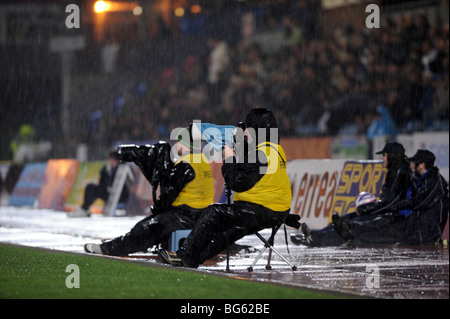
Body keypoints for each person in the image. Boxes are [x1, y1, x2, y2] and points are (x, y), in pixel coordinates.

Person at [160, 108, 294, 268]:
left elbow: (236, 182)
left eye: (248, 128)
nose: (245, 132)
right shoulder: (274, 149)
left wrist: (229, 157)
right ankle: (192, 257)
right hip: (273, 208)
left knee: (214, 212)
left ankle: (185, 256)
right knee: (226, 230)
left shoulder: (261, 154)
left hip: (264, 210)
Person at [83, 127, 215, 255]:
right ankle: (128, 243)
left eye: (178, 142)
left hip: (185, 215)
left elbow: (168, 196)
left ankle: (110, 248)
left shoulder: (185, 164)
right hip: (201, 214)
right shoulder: (202, 160)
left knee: (145, 228)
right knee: (155, 225)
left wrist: (156, 211)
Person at [292, 141, 413, 246]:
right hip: (387, 213)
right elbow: (387, 201)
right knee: (346, 219)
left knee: (352, 226)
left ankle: (315, 238)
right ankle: (315, 235)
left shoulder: (403, 173)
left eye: (384, 155)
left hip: (396, 219)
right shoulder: (395, 172)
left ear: (392, 156)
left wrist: (369, 209)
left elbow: (391, 203)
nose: (382, 158)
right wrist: (369, 208)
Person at [335, 149, 448, 247]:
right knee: (382, 226)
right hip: (415, 228)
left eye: (414, 162)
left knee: (384, 226)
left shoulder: (435, 180)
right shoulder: (420, 179)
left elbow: (421, 201)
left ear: (422, 165)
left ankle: (351, 230)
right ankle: (351, 232)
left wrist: (399, 205)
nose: (412, 164)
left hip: (425, 233)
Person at [69, 149, 130, 218]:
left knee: (95, 190)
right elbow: (102, 183)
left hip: (119, 196)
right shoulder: (108, 169)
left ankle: (85, 208)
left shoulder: (123, 169)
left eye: (112, 160)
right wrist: (104, 173)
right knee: (90, 187)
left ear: (117, 160)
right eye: (110, 160)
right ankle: (85, 208)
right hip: (110, 193)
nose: (111, 162)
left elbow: (125, 186)